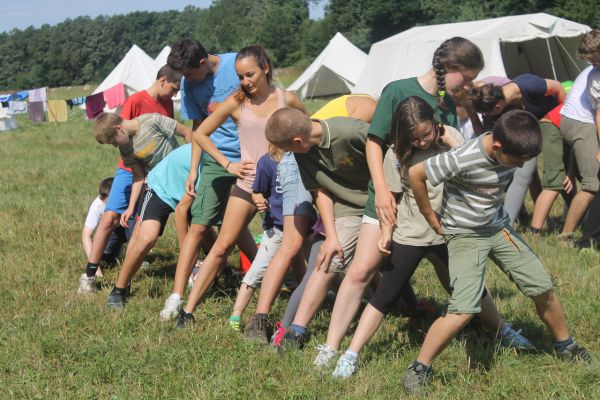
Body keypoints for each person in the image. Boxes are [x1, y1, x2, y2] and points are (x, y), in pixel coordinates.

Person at [330, 97, 533, 379]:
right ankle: (350, 354)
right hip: (411, 235)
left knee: (471, 289)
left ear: (436, 126)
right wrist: (387, 233)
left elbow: (476, 162)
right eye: (415, 138)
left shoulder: (450, 143)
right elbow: (392, 200)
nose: (423, 141)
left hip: (450, 232)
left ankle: (502, 330)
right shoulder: (396, 155)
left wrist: (453, 140)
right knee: (384, 296)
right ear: (403, 134)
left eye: (427, 134)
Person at [313, 37, 484, 369]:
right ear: (449, 67)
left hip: (431, 208)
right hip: (389, 198)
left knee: (455, 270)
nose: (469, 85)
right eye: (467, 77)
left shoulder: (447, 103)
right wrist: (380, 191)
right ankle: (331, 346)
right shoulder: (397, 90)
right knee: (361, 270)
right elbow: (375, 143)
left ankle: (481, 322)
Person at [404, 110, 592, 395]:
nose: (521, 166)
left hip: (498, 228)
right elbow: (416, 173)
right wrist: (431, 218)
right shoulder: (463, 157)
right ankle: (419, 368)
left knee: (542, 286)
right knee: (464, 309)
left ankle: (566, 346)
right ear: (498, 147)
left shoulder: (512, 145)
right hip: (465, 235)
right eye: (518, 161)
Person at [174, 45, 306, 328]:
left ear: (265, 68)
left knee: (293, 250)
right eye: (240, 76)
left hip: (286, 187)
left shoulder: (288, 99)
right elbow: (201, 133)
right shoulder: (237, 102)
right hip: (247, 183)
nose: (245, 81)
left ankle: (305, 302)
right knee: (222, 246)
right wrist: (227, 164)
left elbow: (309, 133)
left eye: (250, 75)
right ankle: (188, 310)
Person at [244, 94, 377, 344]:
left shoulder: (351, 131)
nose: (286, 157)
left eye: (287, 151)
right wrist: (332, 236)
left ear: (297, 141)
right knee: (327, 258)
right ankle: (294, 331)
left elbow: (387, 158)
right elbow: (321, 191)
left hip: (382, 198)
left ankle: (408, 304)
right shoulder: (303, 154)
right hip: (348, 207)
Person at [159, 39, 258, 320]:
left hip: (251, 158)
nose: (187, 81)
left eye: (190, 74)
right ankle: (177, 295)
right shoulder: (191, 86)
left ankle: (267, 276)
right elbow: (197, 127)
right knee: (199, 226)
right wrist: (194, 170)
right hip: (216, 161)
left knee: (242, 227)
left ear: (203, 63)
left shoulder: (237, 64)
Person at [77, 65, 181, 294]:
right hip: (130, 170)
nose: (175, 94)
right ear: (163, 81)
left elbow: (170, 136)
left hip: (155, 172)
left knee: (138, 224)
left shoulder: (167, 104)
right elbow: (121, 137)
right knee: (109, 218)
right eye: (173, 88)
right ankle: (90, 274)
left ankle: (127, 274)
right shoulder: (135, 101)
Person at [91, 111, 192, 307]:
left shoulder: (152, 121)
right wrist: (130, 207)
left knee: (200, 231)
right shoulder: (126, 148)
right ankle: (119, 289)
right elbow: (138, 176)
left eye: (114, 142)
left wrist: (191, 167)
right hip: (157, 188)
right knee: (145, 237)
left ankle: (216, 273)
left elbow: (187, 132)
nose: (116, 146)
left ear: (118, 128)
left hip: (184, 182)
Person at [467, 74, 567, 224]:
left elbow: (558, 87)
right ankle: (510, 224)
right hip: (527, 132)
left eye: (487, 113)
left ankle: (577, 216)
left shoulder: (529, 84)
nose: (486, 116)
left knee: (564, 171)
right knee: (524, 173)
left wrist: (564, 122)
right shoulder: (494, 111)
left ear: (498, 106)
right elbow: (488, 135)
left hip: (553, 123)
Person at [228, 145, 285, 331]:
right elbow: (257, 190)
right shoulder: (267, 161)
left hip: (303, 227)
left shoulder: (304, 158)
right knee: (255, 272)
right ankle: (235, 316)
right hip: (276, 228)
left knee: (321, 267)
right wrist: (259, 199)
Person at [558, 30, 600, 243]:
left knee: (586, 179)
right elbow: (598, 115)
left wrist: (571, 168)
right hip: (581, 124)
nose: (592, 64)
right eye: (589, 61)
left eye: (594, 60)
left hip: (572, 123)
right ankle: (566, 236)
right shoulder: (595, 75)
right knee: (593, 184)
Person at [80, 177, 126, 281]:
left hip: (128, 226)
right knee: (107, 255)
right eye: (106, 202)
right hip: (112, 231)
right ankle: (117, 250)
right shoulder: (97, 206)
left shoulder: (128, 199)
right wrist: (96, 269)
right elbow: (86, 236)